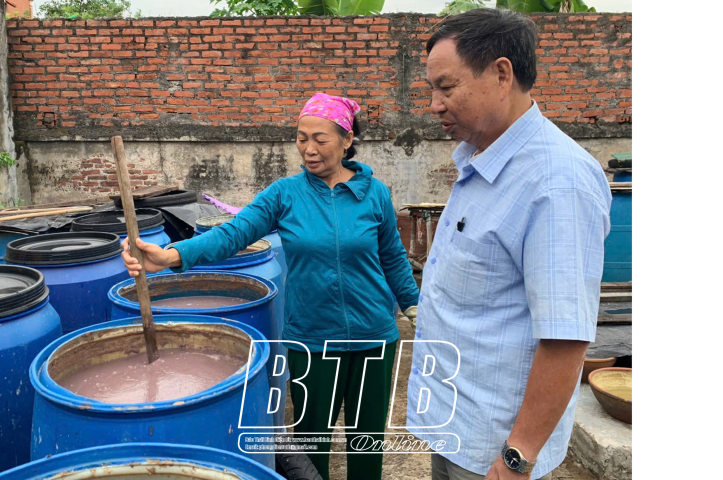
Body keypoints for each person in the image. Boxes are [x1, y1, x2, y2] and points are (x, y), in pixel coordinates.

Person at [122, 92, 419, 480]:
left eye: (320, 139)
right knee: (311, 446)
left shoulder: (374, 193)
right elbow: (234, 233)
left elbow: (393, 256)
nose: (309, 149)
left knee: (368, 442)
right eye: (301, 138)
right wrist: (171, 256)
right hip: (313, 339)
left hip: (374, 336)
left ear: (347, 140)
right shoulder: (285, 194)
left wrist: (413, 305)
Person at [406, 9, 612, 480]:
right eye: (431, 90)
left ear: (502, 74)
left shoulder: (556, 183)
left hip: (494, 449)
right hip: (456, 423)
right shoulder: (481, 160)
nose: (434, 105)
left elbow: (565, 338)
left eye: (446, 87)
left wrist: (518, 456)